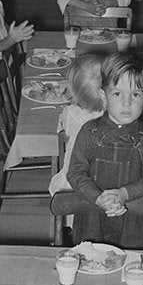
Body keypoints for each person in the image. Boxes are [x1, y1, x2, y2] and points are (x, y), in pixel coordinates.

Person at [66, 51, 143, 248]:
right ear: (104, 95)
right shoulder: (89, 132)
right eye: (117, 94)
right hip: (91, 218)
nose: (126, 103)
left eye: (135, 94)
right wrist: (97, 197)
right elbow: (75, 173)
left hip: (132, 218)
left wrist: (125, 194)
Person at [48, 53, 105, 195]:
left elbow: (62, 134)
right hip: (108, 187)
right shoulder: (118, 118)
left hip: (72, 188)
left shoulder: (71, 113)